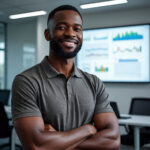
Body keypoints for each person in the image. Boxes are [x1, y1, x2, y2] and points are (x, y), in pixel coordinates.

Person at [11, 5, 120, 150]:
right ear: (47, 34)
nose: (71, 33)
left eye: (77, 29)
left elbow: (113, 141)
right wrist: (88, 130)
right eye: (62, 27)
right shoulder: (26, 81)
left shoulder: (94, 82)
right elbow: (36, 145)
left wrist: (57, 143)